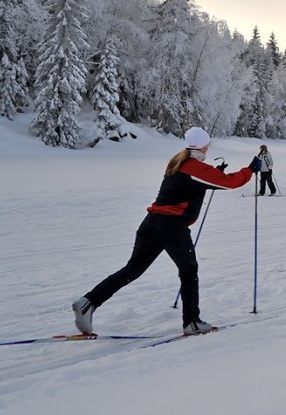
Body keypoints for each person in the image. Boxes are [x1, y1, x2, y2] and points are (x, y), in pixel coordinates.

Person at [71, 127, 258, 337]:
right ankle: (192, 322)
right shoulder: (195, 167)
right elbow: (230, 183)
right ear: (203, 146)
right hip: (172, 227)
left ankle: (88, 302)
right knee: (189, 271)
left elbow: (194, 183)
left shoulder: (177, 162)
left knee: (132, 270)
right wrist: (250, 170)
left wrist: (215, 174)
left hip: (151, 224)